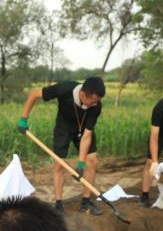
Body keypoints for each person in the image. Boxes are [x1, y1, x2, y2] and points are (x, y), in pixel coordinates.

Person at [18, 77, 106, 215]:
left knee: (92, 160)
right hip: (63, 128)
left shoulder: (96, 106)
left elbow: (87, 136)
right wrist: (24, 118)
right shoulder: (64, 89)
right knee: (59, 164)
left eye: (97, 101)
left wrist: (81, 163)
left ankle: (86, 202)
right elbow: (35, 93)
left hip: (83, 130)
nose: (96, 103)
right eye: (93, 101)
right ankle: (59, 204)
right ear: (83, 94)